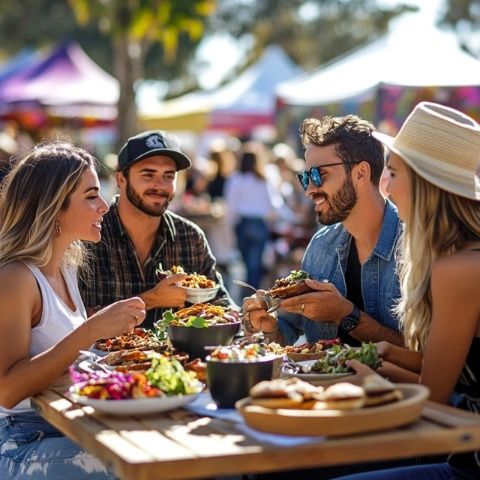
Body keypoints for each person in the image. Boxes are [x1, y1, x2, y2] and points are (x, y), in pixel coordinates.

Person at [333, 102, 480, 480]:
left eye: (393, 172)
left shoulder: (458, 271)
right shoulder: (464, 257)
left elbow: (433, 401)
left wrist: (369, 378)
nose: (386, 184)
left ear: (425, 182)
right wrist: (386, 356)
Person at [0, 142, 146, 479]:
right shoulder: (15, 278)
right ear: (54, 206)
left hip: (65, 426)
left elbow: (62, 364)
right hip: (22, 440)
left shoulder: (65, 269)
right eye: (92, 195)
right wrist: (92, 330)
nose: (104, 207)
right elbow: (7, 390)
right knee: (134, 467)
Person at [244, 114, 404, 347]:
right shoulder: (321, 245)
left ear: (361, 173)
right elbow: (289, 329)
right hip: (321, 384)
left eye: (319, 174)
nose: (309, 189)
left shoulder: (414, 247)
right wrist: (270, 325)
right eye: (305, 176)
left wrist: (345, 315)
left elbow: (425, 356)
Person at [79, 130, 235, 329]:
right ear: (121, 179)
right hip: (99, 359)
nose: (160, 185)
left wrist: (250, 318)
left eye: (168, 176)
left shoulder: (190, 237)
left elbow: (221, 304)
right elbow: (70, 320)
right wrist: (150, 299)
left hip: (178, 359)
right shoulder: (89, 236)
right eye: (148, 174)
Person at [225, 142, 277, 291]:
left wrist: (230, 228)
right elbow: (272, 206)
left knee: (246, 265)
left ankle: (248, 299)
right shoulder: (263, 180)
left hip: (243, 223)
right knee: (254, 266)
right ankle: (253, 299)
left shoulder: (235, 179)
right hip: (258, 224)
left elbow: (231, 206)